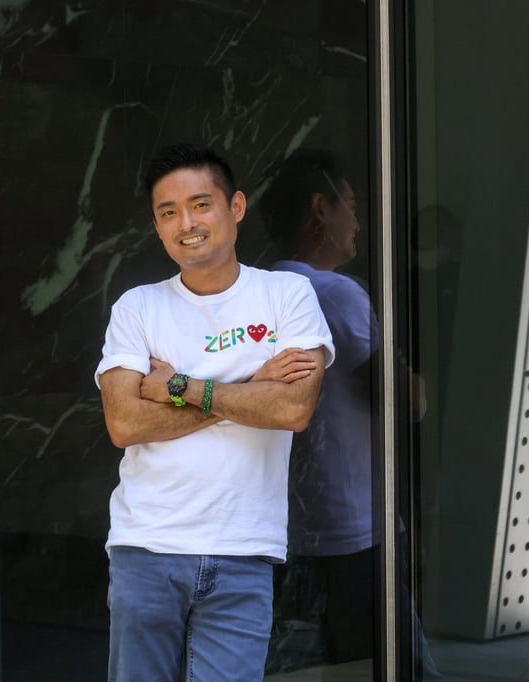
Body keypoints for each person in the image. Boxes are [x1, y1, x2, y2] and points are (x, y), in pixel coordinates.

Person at [95, 143, 335, 681]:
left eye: (201, 204)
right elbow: (124, 424)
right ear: (157, 226)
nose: (187, 223)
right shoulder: (137, 307)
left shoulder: (287, 295)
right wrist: (252, 389)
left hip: (244, 548)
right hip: (147, 546)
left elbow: (294, 408)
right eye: (168, 211)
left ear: (237, 207)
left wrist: (175, 385)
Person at [260, 149, 442, 679]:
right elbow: (408, 400)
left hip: (289, 527)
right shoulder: (335, 292)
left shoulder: (259, 292)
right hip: (355, 528)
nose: (357, 222)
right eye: (352, 205)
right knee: (398, 665)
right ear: (322, 209)